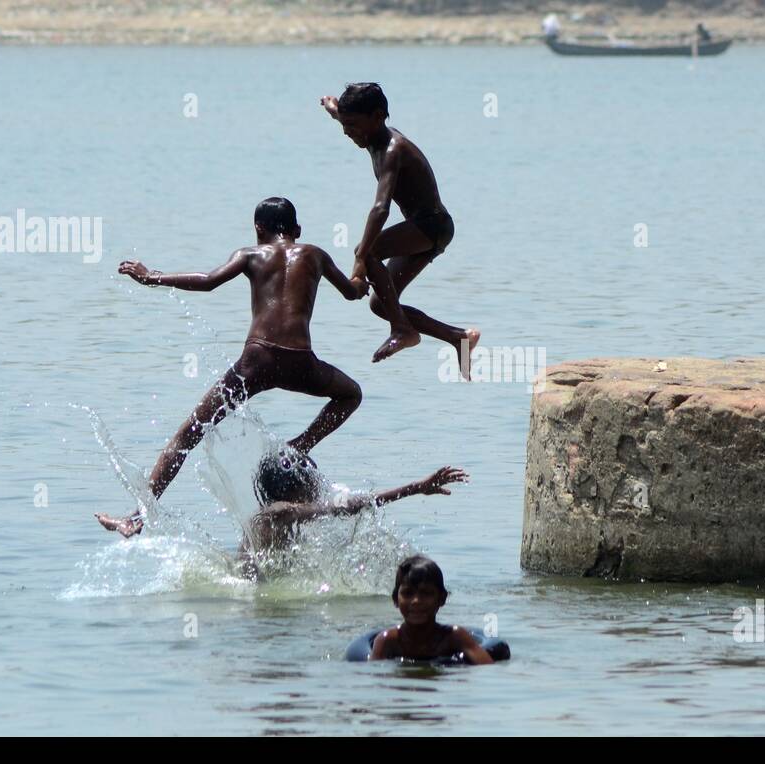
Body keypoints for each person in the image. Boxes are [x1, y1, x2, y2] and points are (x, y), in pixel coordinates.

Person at [95, 197, 366, 538]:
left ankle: (136, 517)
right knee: (350, 395)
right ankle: (299, 446)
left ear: (258, 229)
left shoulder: (250, 254)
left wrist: (154, 277)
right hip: (301, 361)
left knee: (187, 434)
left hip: (258, 360)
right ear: (297, 230)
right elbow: (354, 293)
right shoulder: (315, 254)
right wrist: (361, 271)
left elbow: (209, 280)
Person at [319, 82, 480, 375]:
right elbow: (342, 117)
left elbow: (381, 209)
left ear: (378, 116)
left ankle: (402, 329)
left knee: (368, 251)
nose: (347, 132)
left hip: (432, 224)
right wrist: (333, 108)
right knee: (381, 303)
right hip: (425, 228)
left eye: (352, 125)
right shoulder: (368, 135)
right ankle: (458, 338)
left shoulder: (394, 149)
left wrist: (359, 260)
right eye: (345, 125)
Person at [239, 453, 468, 580]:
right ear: (295, 486)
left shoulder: (273, 516)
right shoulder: (280, 512)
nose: (317, 487)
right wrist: (415, 488)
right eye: (311, 480)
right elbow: (345, 506)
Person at [369, 555, 493, 665]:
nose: (416, 601)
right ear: (395, 599)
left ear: (442, 599)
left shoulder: (454, 637)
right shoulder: (388, 640)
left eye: (426, 593)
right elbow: (374, 675)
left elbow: (487, 667)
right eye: (408, 593)